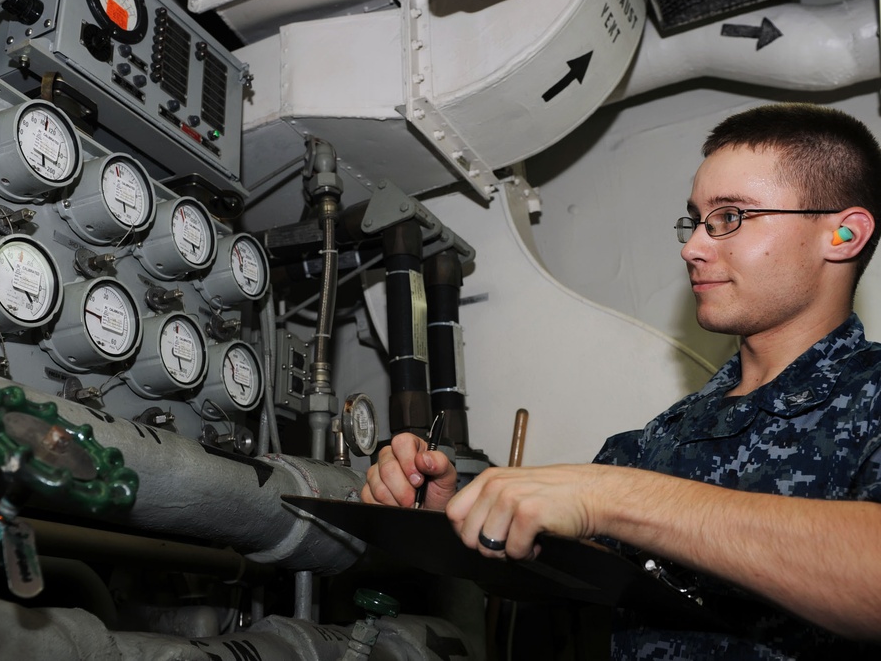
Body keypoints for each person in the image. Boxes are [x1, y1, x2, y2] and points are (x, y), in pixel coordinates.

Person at [362, 103, 881, 659]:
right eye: (696, 220)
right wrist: (452, 517)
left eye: (730, 217)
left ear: (844, 233)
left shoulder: (867, 397)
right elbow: (551, 581)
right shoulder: (663, 438)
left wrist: (612, 496)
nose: (692, 247)